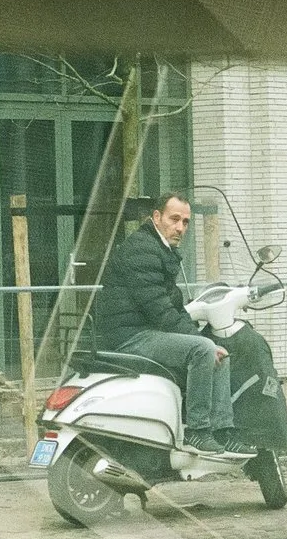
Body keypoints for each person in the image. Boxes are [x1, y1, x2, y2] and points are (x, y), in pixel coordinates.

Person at [89, 192, 237, 451]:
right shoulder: (142, 249)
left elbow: (175, 309)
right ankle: (198, 431)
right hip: (129, 337)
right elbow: (160, 311)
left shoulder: (160, 249)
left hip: (144, 332)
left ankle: (222, 430)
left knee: (218, 353)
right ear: (156, 217)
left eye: (186, 222)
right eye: (174, 219)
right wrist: (202, 342)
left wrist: (205, 340)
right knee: (203, 349)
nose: (180, 228)